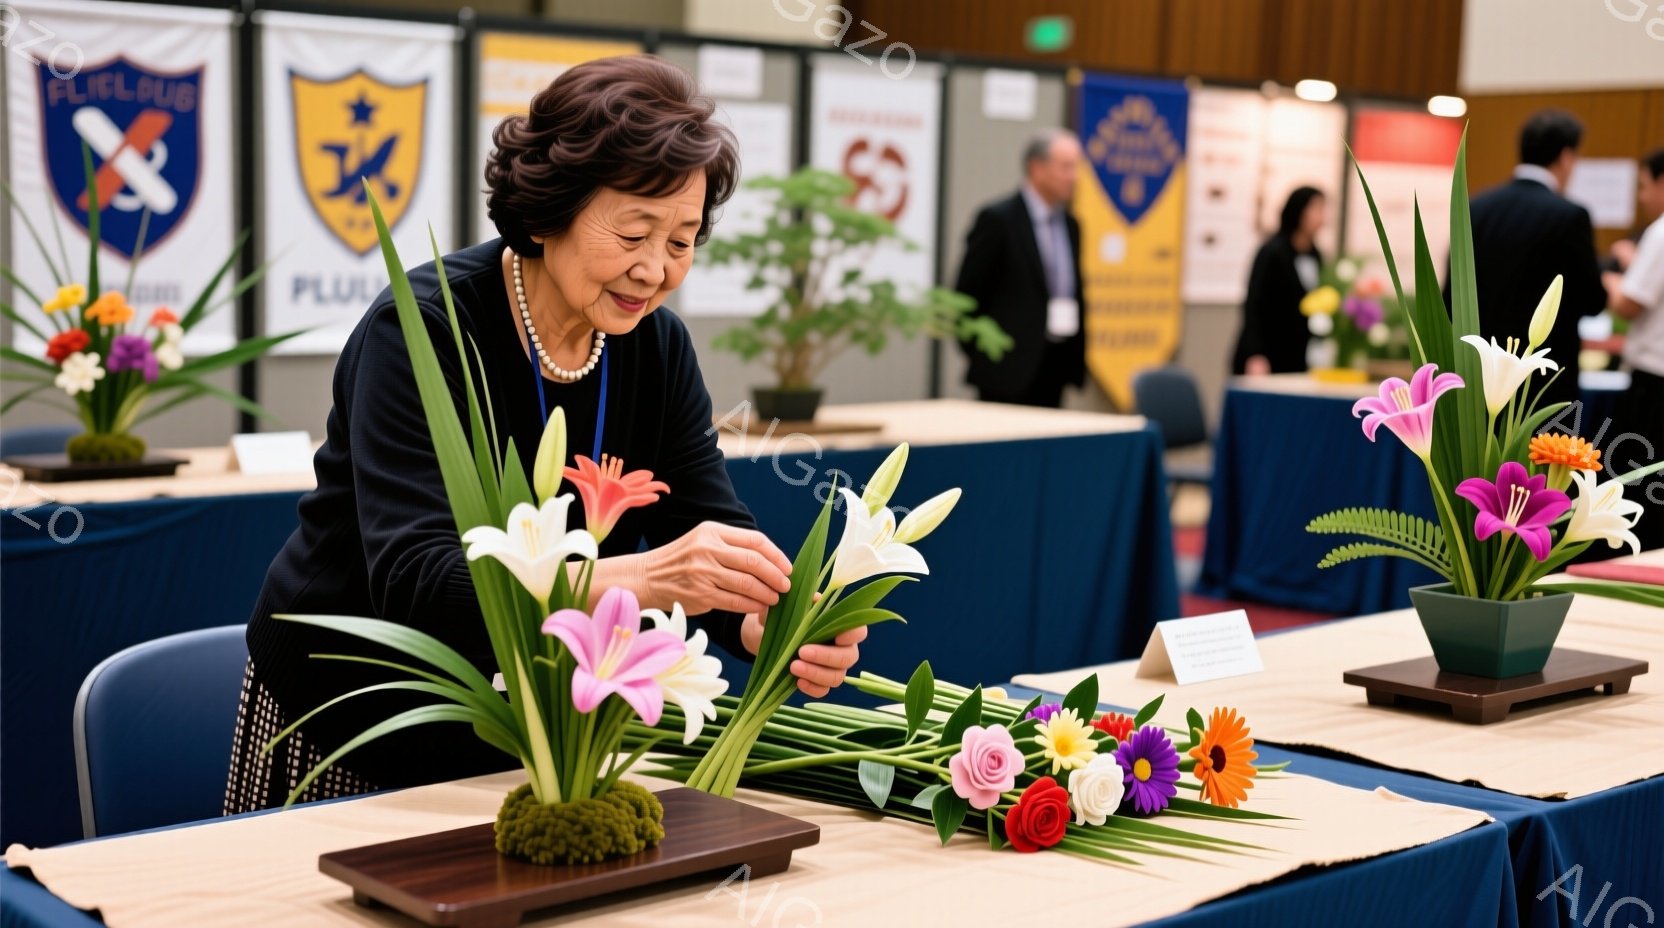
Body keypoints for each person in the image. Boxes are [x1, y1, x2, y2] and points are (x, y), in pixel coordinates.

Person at [225, 57, 868, 814]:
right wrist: (645, 581)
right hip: (355, 713)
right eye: (635, 231)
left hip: (529, 724)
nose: (656, 270)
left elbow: (702, 523)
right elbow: (416, 582)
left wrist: (762, 617)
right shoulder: (424, 329)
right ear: (545, 214)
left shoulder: (656, 349)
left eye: (683, 240)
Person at [1461, 110, 1606, 415]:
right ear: (1566, 157)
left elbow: (1453, 293)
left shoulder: (1476, 208)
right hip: (1545, 380)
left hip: (1478, 373)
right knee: (1540, 461)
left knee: (1478, 461)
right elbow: (1592, 299)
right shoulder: (1569, 216)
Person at [954, 129, 1086, 407]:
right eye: (1066, 167)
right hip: (1006, 371)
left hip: (1055, 363)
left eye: (1076, 167)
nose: (1074, 176)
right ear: (1036, 169)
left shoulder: (1072, 225)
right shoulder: (998, 220)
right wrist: (986, 353)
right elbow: (966, 296)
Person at [1602, 147, 1664, 551]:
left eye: (1644, 186)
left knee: (1638, 491)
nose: (1641, 197)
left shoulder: (1661, 231)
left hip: (1653, 389)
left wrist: (1609, 277)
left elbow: (1629, 303)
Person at [1231, 186, 1327, 375]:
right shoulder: (1273, 252)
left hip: (1296, 354)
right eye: (1316, 209)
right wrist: (1255, 353)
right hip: (1266, 352)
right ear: (1299, 211)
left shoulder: (1316, 255)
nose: (1321, 218)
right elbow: (1254, 305)